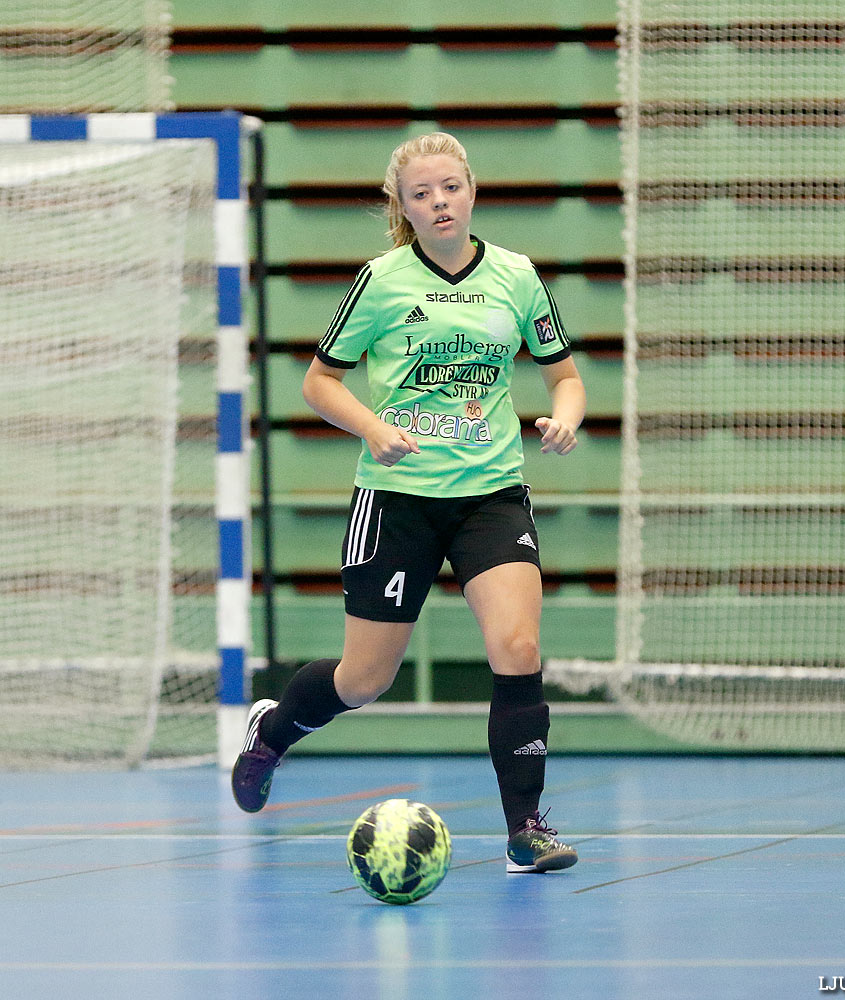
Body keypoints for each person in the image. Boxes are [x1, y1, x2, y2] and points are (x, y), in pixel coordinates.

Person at [232, 132, 586, 873]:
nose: (439, 202)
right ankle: (274, 729)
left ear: (472, 189)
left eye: (450, 187)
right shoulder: (382, 280)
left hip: (490, 494)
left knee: (517, 647)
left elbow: (566, 377)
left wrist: (567, 419)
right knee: (364, 680)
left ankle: (527, 827)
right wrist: (373, 428)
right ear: (404, 206)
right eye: (421, 193)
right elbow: (318, 383)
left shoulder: (517, 278)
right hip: (397, 500)